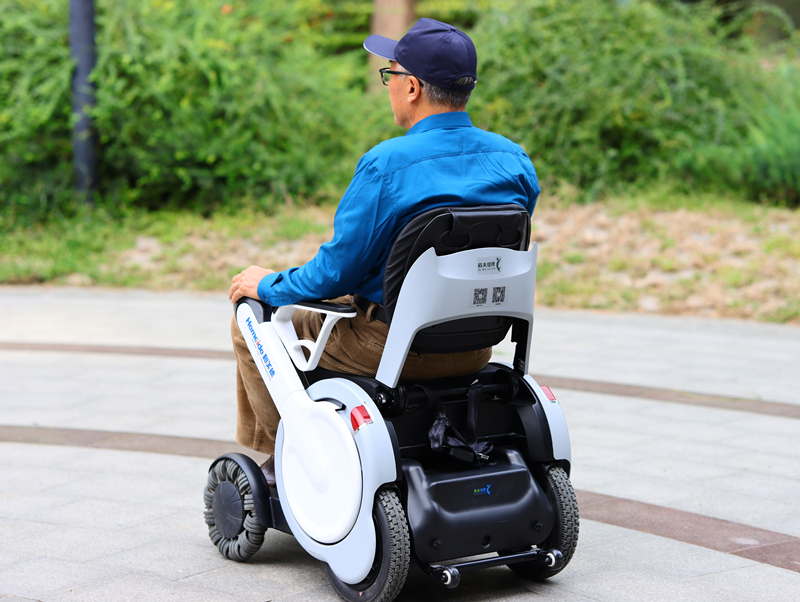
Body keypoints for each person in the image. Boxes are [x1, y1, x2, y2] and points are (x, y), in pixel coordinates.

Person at [228, 18, 540, 484]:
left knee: (251, 319)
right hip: (477, 344)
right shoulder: (514, 160)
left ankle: (283, 465)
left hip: (389, 347)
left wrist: (267, 284)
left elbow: (335, 275)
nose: (388, 84)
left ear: (412, 87)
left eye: (390, 73)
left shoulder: (386, 165)